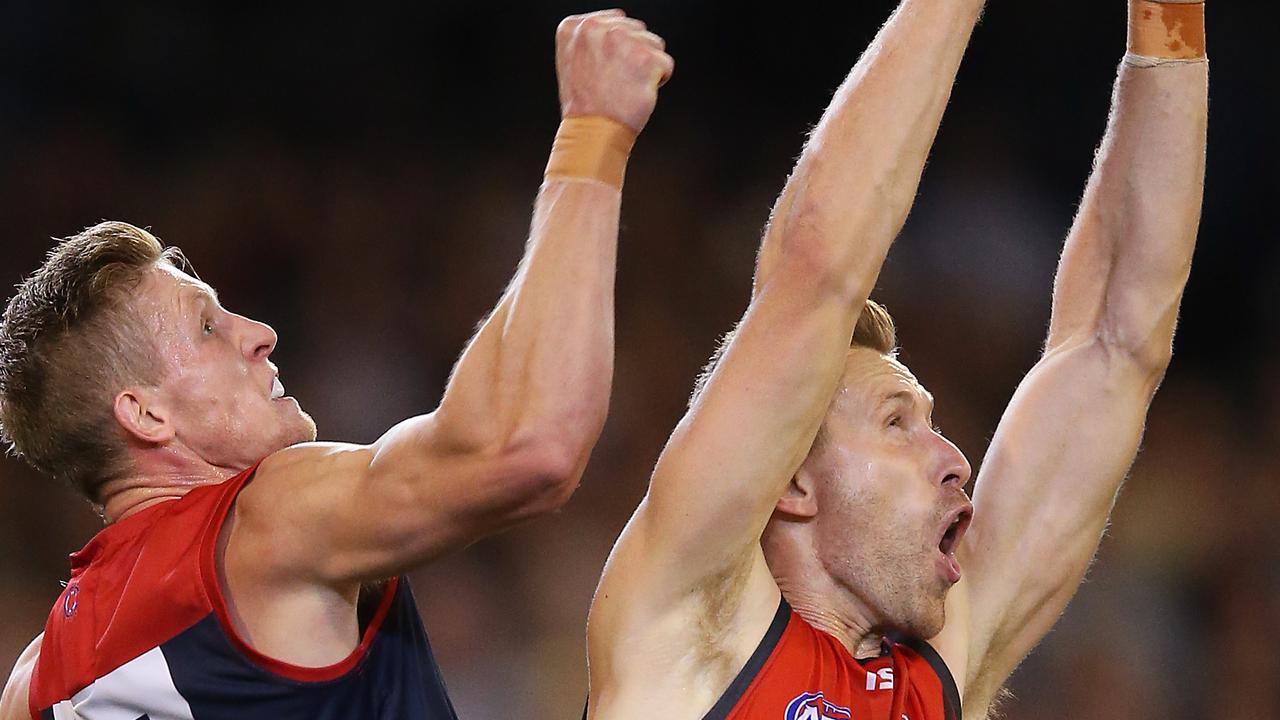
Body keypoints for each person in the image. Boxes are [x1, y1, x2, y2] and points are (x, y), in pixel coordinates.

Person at [0, 10, 673, 719]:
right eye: (206, 326)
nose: (257, 332)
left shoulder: (36, 683)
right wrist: (593, 134)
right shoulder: (264, 522)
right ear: (144, 412)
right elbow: (529, 444)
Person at [584, 1, 1207, 718]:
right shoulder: (689, 632)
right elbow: (816, 268)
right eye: (895, 423)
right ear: (791, 480)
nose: (954, 457)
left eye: (930, 424)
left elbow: (1119, 342)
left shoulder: (936, 677)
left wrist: (1173, 14)